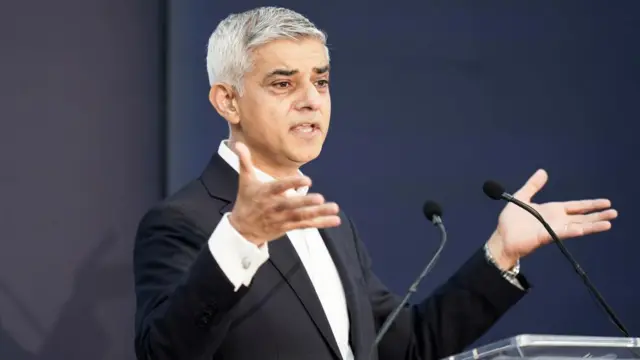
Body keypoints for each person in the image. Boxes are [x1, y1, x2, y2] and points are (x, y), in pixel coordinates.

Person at [133, 6, 618, 360]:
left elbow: (404, 345)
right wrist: (242, 237)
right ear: (228, 102)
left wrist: (501, 254)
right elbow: (165, 354)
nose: (311, 100)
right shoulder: (182, 221)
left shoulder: (330, 224)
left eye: (320, 81)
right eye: (283, 84)